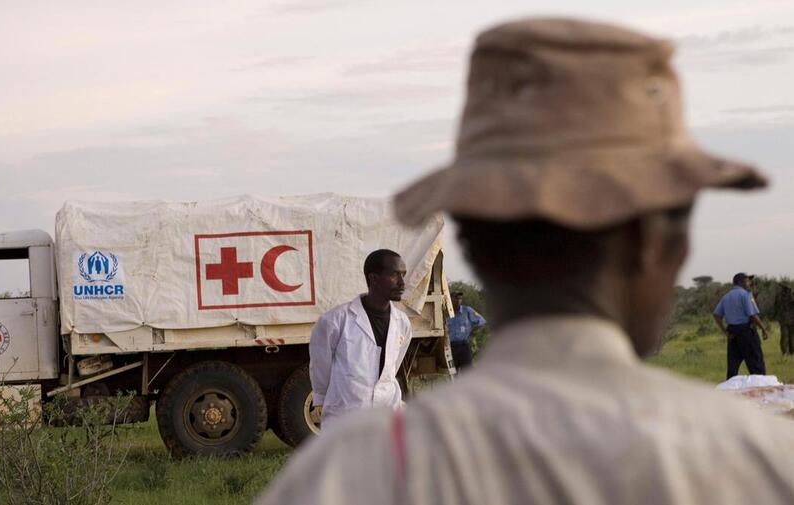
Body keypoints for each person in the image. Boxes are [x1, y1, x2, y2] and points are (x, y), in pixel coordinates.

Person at [257, 18, 794, 505]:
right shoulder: (761, 461)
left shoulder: (342, 476)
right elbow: (323, 373)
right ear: (660, 247)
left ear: (474, 242)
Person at [308, 249, 413, 432]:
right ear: (373, 278)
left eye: (403, 275)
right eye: (395, 275)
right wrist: (326, 399)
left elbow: (391, 368)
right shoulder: (336, 321)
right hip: (345, 418)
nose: (402, 283)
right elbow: (320, 367)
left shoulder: (402, 322)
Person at [713, 273, 770, 378]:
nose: (750, 283)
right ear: (740, 282)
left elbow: (716, 315)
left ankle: (729, 390)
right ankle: (761, 389)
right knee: (756, 365)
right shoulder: (746, 295)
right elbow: (752, 315)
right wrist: (763, 329)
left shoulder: (726, 296)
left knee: (733, 366)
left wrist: (725, 331)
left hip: (732, 333)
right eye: (748, 281)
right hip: (746, 332)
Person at [446, 291, 486, 370]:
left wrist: (473, 331)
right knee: (453, 373)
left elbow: (481, 321)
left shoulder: (467, 311)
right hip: (451, 347)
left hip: (464, 346)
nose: (458, 300)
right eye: (456, 298)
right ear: (450, 299)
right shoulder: (446, 312)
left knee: (468, 371)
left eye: (460, 299)